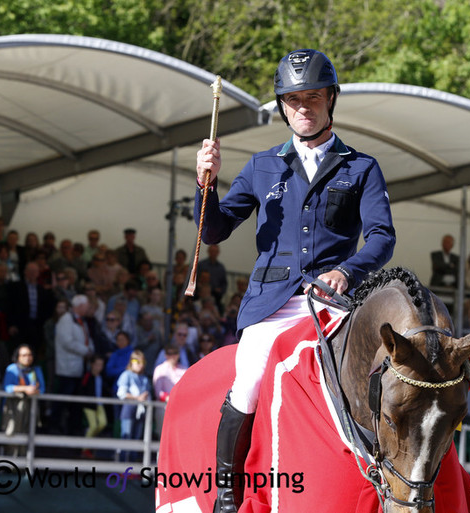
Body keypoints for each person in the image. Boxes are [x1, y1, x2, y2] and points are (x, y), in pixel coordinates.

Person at [195, 49, 395, 512]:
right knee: (247, 383)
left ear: (330, 100)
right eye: (293, 99)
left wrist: (347, 271)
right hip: (271, 303)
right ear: (283, 106)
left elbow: (382, 236)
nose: (303, 107)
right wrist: (205, 185)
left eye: (313, 97)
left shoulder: (361, 167)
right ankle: (228, 498)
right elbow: (215, 230)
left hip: (332, 303)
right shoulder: (262, 167)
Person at [54, 294, 95, 435]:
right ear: (80, 306)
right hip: (67, 368)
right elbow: (67, 342)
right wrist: (86, 351)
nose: (89, 308)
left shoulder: (81, 320)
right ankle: (55, 426)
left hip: (79, 367)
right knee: (63, 399)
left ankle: (73, 427)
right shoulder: (66, 320)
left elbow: (86, 339)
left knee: (75, 402)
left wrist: (91, 350)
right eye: (87, 305)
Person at [2, 344, 45, 456]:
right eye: (24, 355)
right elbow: (8, 387)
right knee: (12, 432)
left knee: (28, 434)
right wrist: (25, 389)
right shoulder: (12, 368)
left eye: (30, 355)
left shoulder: (35, 370)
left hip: (30, 406)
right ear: (18, 357)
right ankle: (10, 462)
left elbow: (42, 388)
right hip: (15, 407)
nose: (27, 357)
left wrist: (35, 390)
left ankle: (23, 464)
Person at [115, 349, 150, 461]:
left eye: (142, 362)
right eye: (137, 361)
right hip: (128, 410)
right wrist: (137, 398)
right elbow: (121, 393)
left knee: (136, 439)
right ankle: (123, 465)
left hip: (140, 412)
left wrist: (144, 398)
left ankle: (132, 468)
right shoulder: (126, 375)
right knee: (127, 437)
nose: (140, 365)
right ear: (131, 362)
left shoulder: (144, 378)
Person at [152, 343, 187, 436]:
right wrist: (169, 398)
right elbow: (157, 391)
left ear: (178, 354)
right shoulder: (159, 369)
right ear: (165, 355)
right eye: (169, 353)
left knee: (177, 436)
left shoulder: (184, 369)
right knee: (162, 436)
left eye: (175, 353)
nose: (172, 356)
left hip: (180, 407)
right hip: (163, 407)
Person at [79, 354, 109, 458]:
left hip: (99, 404)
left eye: (101, 365)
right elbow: (82, 389)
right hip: (89, 405)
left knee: (103, 423)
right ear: (92, 365)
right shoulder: (87, 376)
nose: (99, 367)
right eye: (97, 365)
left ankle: (90, 439)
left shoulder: (101, 377)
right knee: (94, 425)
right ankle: (84, 449)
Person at [197, 244, 228, 310]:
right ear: (208, 251)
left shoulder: (221, 267)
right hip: (201, 294)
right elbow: (195, 279)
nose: (213, 253)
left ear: (218, 253)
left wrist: (221, 291)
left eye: (215, 251)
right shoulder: (201, 264)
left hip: (216, 296)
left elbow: (224, 283)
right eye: (211, 251)